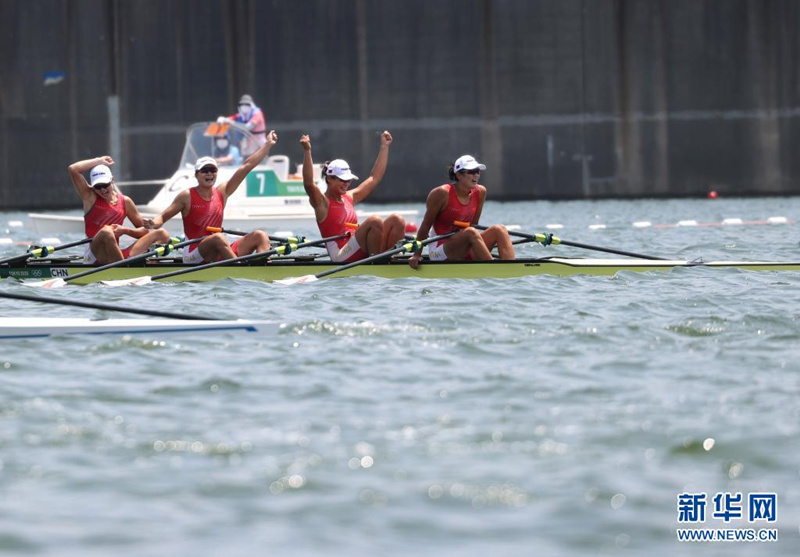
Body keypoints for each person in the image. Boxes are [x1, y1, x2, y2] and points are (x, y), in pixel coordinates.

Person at [144, 131, 278, 264]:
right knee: (218, 238)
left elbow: (246, 167)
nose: (209, 174)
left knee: (260, 236)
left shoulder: (222, 192)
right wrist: (153, 223)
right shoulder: (187, 196)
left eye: (213, 170)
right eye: (204, 170)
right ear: (196, 175)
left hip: (218, 250)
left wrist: (267, 145)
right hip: (193, 253)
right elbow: (162, 217)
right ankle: (239, 269)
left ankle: (261, 269)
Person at [300, 131, 406, 263]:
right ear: (330, 179)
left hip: (356, 247)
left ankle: (390, 260)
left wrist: (384, 147)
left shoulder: (349, 197)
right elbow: (308, 183)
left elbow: (374, 178)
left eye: (348, 180)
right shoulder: (322, 203)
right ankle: (377, 264)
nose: (346, 184)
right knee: (374, 221)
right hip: (340, 254)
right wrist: (307, 151)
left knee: (397, 220)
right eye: (342, 180)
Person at [408, 155, 515, 269]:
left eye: (477, 171)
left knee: (500, 229)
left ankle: (512, 269)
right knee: (470, 232)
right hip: (440, 250)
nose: (476, 175)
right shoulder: (441, 193)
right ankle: (495, 271)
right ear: (459, 175)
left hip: (466, 244)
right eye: (471, 172)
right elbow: (425, 226)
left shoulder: (480, 192)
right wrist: (416, 255)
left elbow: (474, 225)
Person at [68, 156, 170, 265]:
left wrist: (125, 230)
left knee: (162, 234)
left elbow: (144, 232)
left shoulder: (125, 202)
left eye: (105, 184)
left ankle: (150, 265)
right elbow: (73, 169)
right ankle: (123, 269)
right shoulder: (89, 197)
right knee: (107, 232)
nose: (102, 189)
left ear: (112, 180)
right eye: (98, 186)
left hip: (115, 256)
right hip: (94, 256)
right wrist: (99, 160)